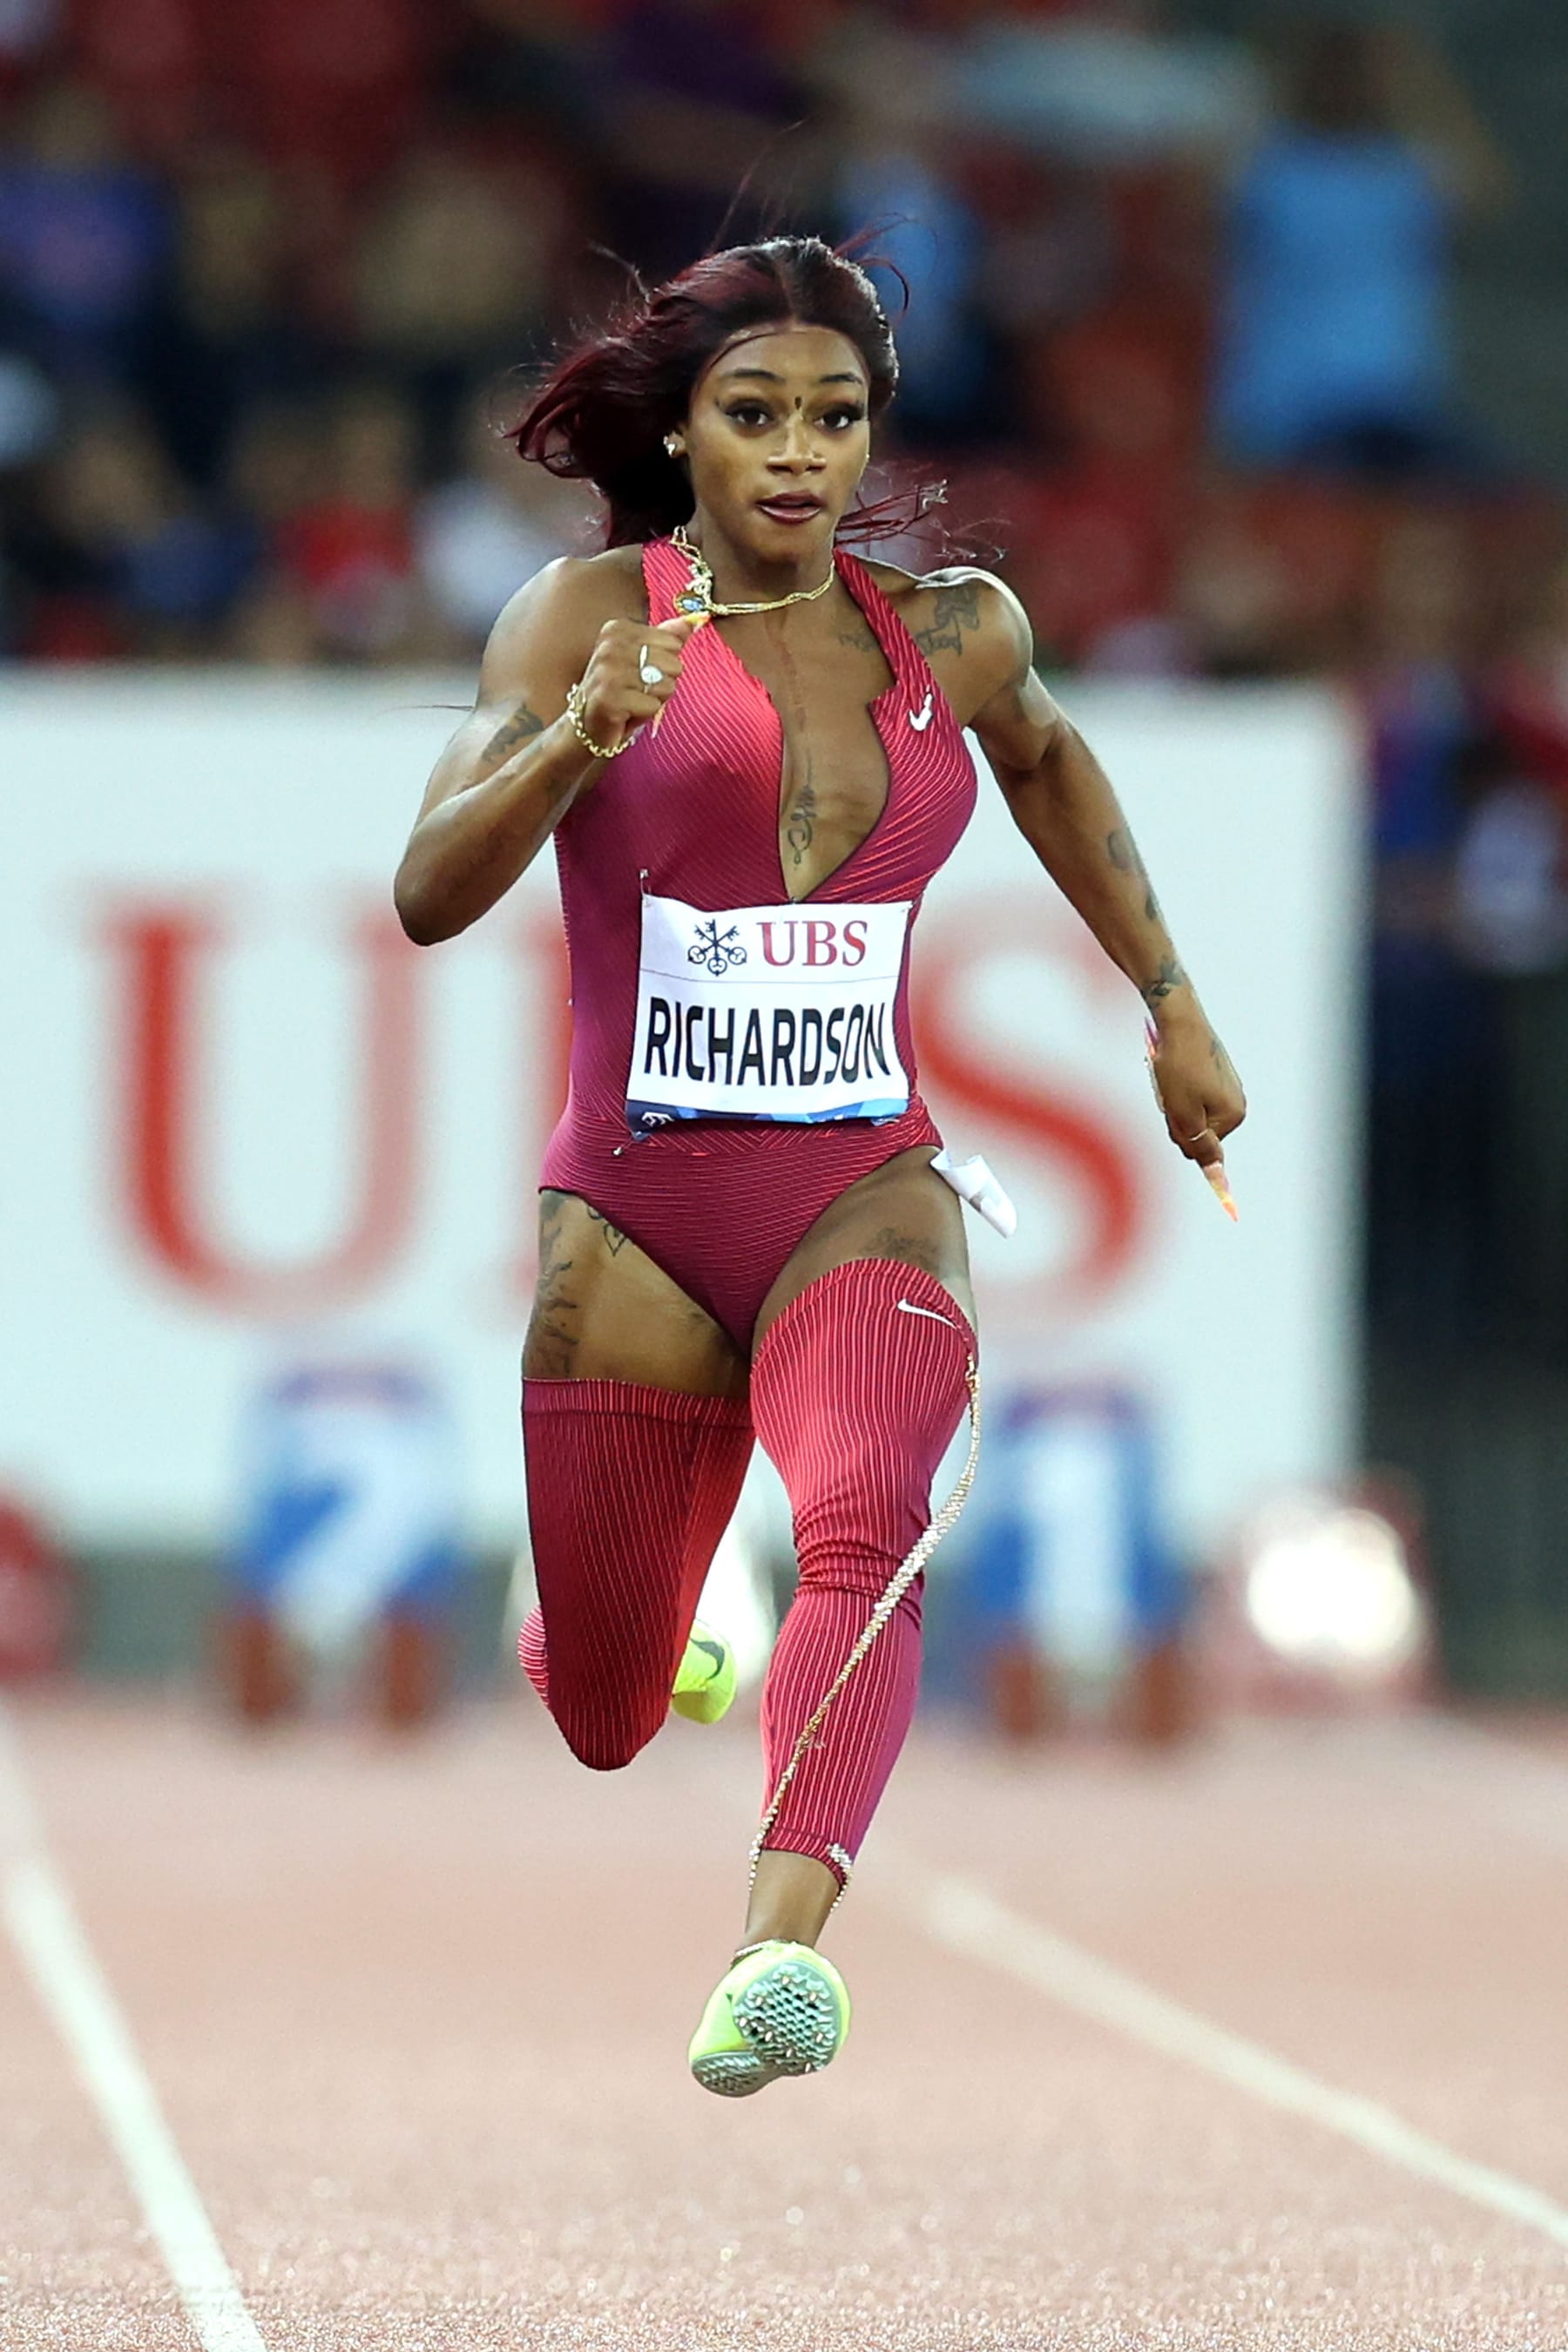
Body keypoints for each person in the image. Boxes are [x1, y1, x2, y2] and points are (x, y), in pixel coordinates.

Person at [393, 235, 1245, 2097]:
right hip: (635, 1210)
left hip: (866, 1174)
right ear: (682, 434)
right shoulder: (580, 615)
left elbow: (1050, 764)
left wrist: (1171, 1003)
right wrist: (577, 737)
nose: (799, 454)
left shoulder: (956, 632)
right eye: (756, 414)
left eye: (836, 419)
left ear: (873, 437)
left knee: (872, 1511)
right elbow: (427, 895)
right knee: (608, 1713)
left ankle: (775, 1955)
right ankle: (640, 1621)